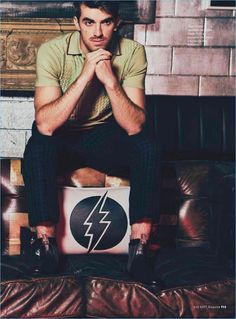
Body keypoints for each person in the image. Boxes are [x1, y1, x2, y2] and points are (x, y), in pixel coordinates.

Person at [23, 0, 160, 283]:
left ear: (117, 23)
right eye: (89, 22)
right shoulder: (52, 51)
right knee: (38, 144)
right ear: (76, 23)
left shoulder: (133, 52)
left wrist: (111, 82)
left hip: (104, 136)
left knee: (147, 145)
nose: (97, 32)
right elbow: (46, 124)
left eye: (105, 22)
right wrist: (86, 74)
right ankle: (45, 248)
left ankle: (140, 250)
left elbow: (134, 126)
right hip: (62, 136)